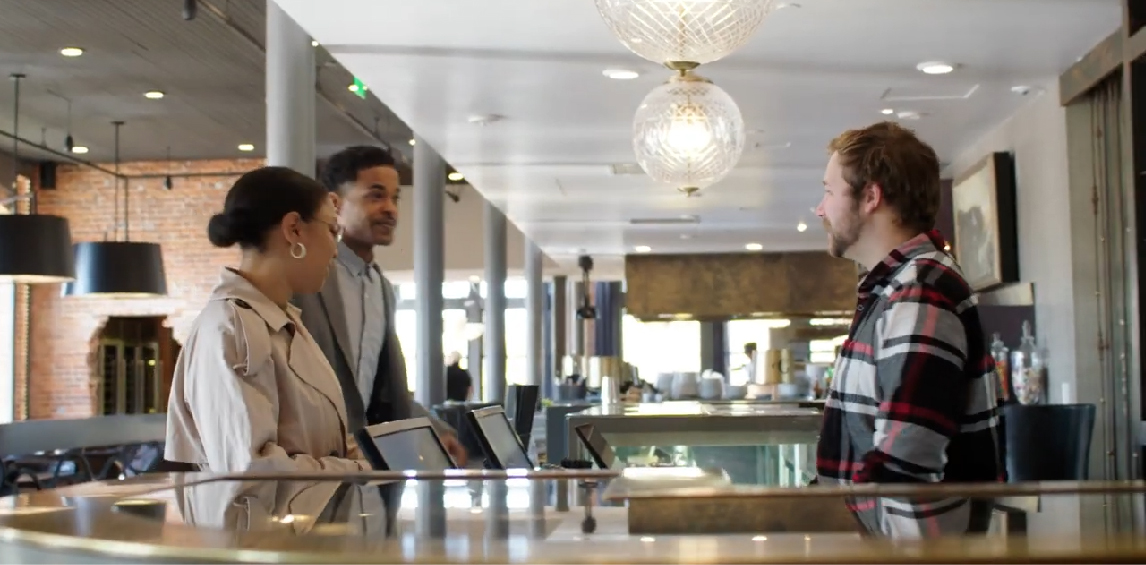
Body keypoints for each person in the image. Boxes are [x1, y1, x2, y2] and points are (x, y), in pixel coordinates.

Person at [812, 121, 1003, 538]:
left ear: (871, 197)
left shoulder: (919, 291)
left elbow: (906, 464)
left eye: (828, 192)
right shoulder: (898, 285)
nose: (820, 209)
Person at [165, 166, 369, 473]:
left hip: (305, 517)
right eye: (332, 230)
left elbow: (323, 443)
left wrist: (380, 458)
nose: (335, 251)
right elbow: (251, 469)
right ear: (294, 230)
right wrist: (362, 471)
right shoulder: (229, 328)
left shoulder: (281, 321)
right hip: (260, 520)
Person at [295, 145, 466, 465]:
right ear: (335, 204)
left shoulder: (382, 288)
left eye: (394, 197)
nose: (391, 209)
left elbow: (387, 394)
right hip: (303, 467)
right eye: (375, 196)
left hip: (362, 469)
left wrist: (436, 432)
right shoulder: (305, 279)